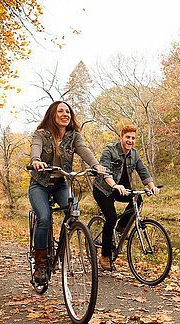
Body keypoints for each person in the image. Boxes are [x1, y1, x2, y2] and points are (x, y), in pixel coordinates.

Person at [29, 101, 105, 285]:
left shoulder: (74, 136)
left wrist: (96, 165)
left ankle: (61, 249)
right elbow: (35, 148)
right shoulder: (41, 134)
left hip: (61, 183)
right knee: (44, 219)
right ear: (52, 115)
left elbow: (84, 150)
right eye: (61, 111)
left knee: (73, 213)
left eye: (68, 111)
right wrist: (36, 160)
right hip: (40, 184)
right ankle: (40, 265)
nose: (66, 114)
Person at [93, 124, 160, 270]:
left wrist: (152, 187)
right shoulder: (109, 150)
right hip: (103, 189)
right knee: (110, 218)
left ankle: (121, 227)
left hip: (122, 188)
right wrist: (114, 185)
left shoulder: (135, 154)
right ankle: (105, 256)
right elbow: (105, 172)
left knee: (138, 199)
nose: (130, 140)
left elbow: (143, 172)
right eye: (128, 137)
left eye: (133, 138)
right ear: (121, 137)